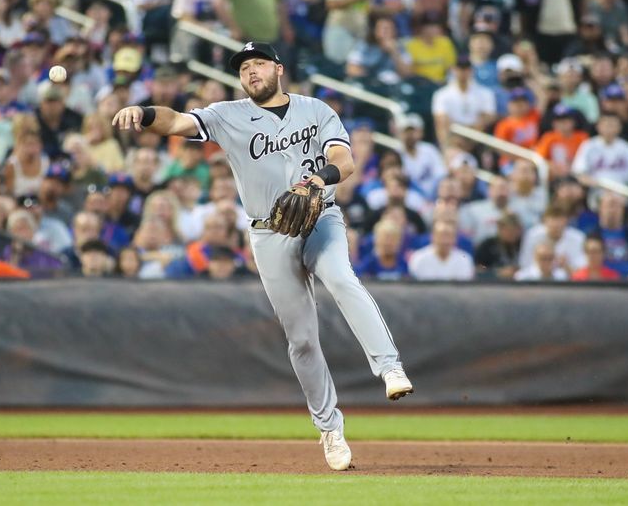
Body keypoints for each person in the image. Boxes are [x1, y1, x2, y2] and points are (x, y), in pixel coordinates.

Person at [112, 41, 412, 471]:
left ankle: (389, 368)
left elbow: (343, 161)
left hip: (320, 216)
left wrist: (316, 180)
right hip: (269, 233)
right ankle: (330, 429)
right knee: (302, 339)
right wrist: (142, 113)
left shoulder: (315, 109)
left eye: (258, 63)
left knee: (342, 277)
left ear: (279, 69)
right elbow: (178, 121)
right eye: (244, 67)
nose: (251, 71)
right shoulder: (227, 115)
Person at [571, 112, 628, 185]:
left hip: (622, 191)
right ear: (598, 126)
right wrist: (591, 182)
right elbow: (579, 172)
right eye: (606, 125)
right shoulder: (588, 145)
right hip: (596, 190)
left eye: (612, 125)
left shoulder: (627, 148)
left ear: (620, 127)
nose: (609, 129)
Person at [408, 220, 474, 281]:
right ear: (433, 237)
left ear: (455, 239)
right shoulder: (419, 258)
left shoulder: (464, 260)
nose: (445, 241)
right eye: (442, 236)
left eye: (449, 236)